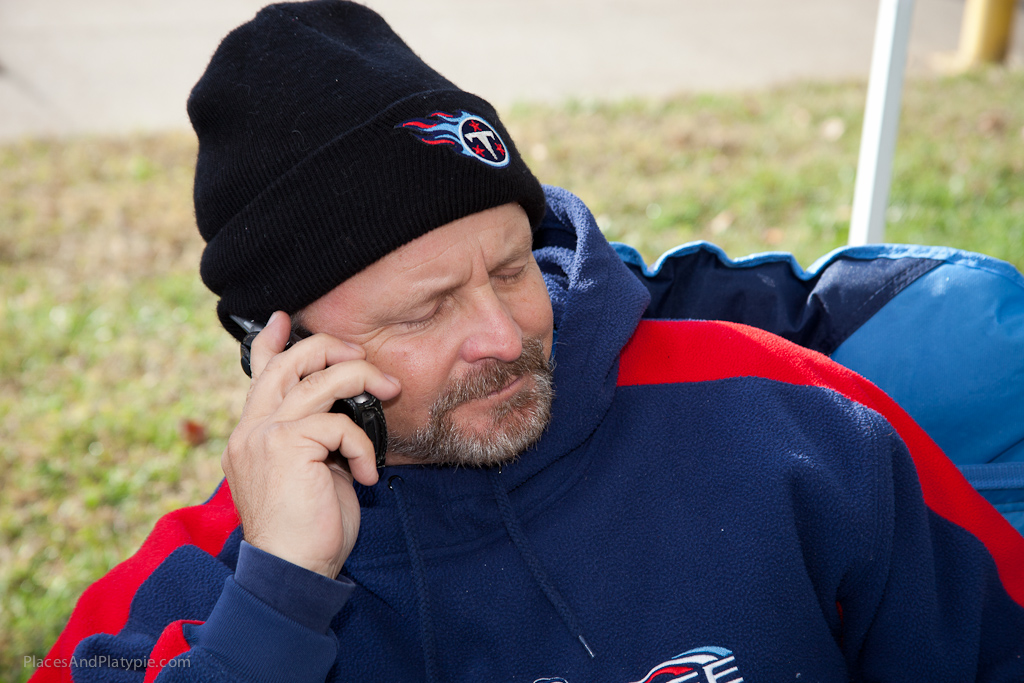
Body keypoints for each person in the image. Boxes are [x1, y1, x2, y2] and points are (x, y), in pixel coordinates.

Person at [33, 2, 1024, 682]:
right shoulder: (201, 582)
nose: (504, 335)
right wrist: (281, 594)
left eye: (512, 268)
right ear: (284, 350)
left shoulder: (795, 419)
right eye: (424, 311)